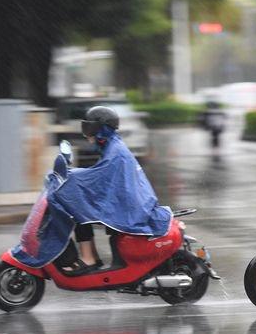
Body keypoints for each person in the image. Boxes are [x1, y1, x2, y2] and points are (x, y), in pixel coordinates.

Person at [58, 106, 172, 275]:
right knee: (80, 204)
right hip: (129, 202)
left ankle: (89, 259)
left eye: (90, 128)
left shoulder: (114, 151)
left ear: (102, 129)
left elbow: (100, 175)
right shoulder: (112, 146)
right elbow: (103, 176)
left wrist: (73, 177)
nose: (86, 132)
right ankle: (92, 257)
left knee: (77, 209)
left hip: (130, 209)